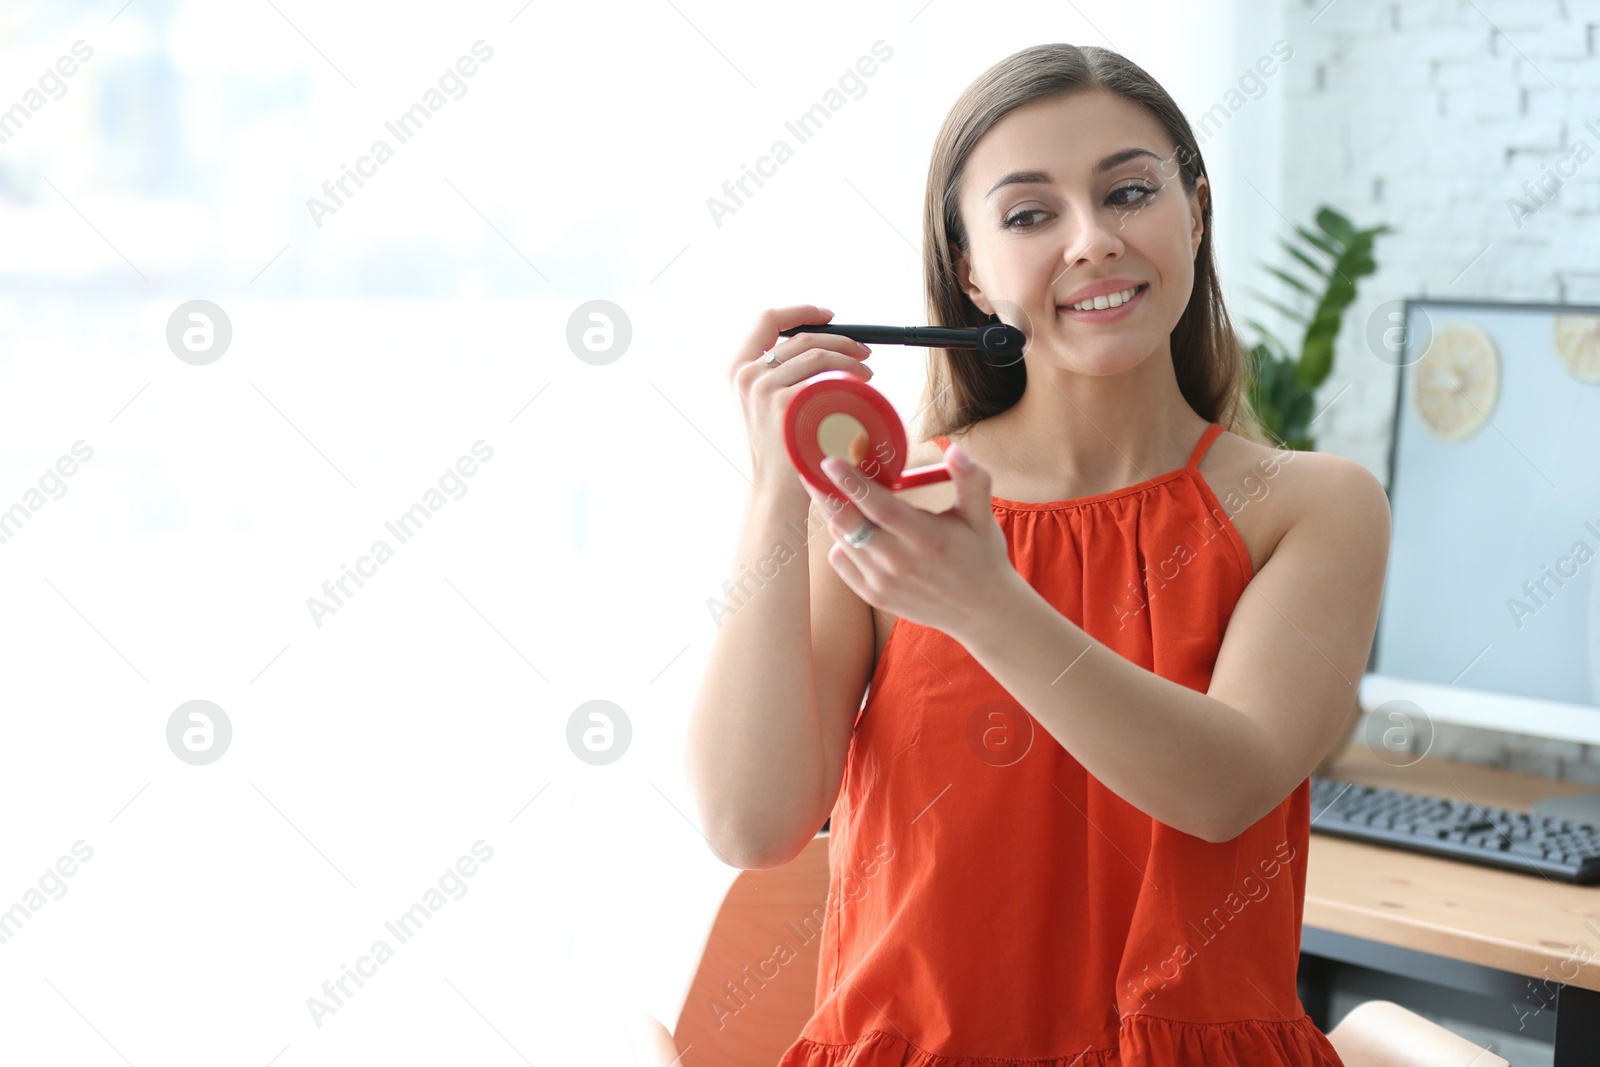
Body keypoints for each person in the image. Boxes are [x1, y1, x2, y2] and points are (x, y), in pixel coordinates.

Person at [686, 41, 1389, 1066]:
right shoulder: (891, 504)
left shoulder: (1312, 505)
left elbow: (1222, 785)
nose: (1092, 240)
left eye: (1130, 192)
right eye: (1029, 214)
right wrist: (770, 486)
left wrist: (984, 602)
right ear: (969, 268)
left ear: (1193, 211)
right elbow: (749, 824)